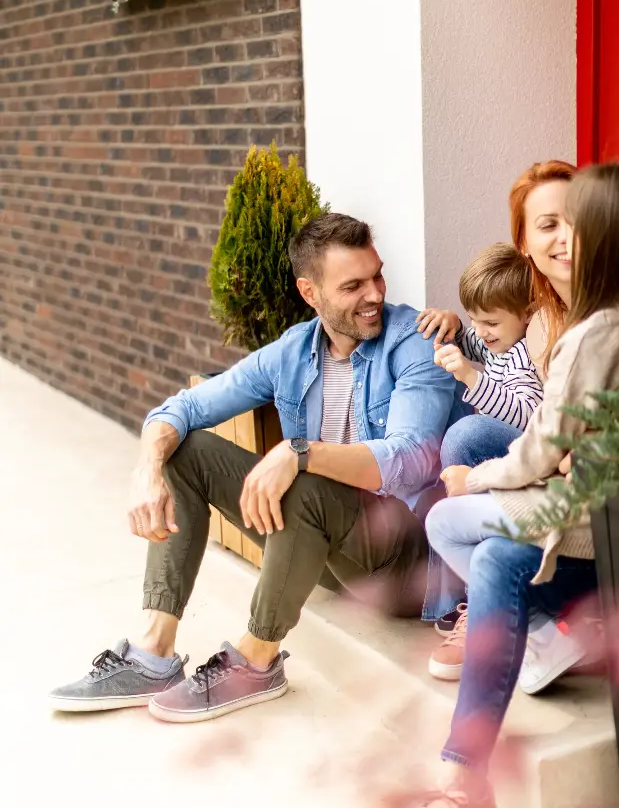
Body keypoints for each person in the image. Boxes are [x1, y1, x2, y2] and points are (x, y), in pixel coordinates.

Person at [49, 212, 471, 720]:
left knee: (308, 476)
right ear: (310, 292)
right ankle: (152, 654)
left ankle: (256, 661)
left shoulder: (415, 342)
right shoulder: (293, 351)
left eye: (377, 276)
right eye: (353, 285)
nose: (375, 294)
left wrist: (299, 452)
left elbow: (409, 459)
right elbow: (182, 409)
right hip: (333, 549)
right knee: (185, 451)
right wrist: (147, 467)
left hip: (403, 560)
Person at [392, 161, 619, 808]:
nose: (562, 237)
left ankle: (468, 771)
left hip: (588, 527)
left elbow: (543, 449)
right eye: (549, 224)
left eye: (574, 223)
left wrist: (473, 478)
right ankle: (474, 762)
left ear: (606, 238)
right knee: (492, 557)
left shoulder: (593, 332)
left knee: (449, 522)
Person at [417, 242, 543, 681]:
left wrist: (471, 376)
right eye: (475, 319)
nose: (481, 331)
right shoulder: (496, 337)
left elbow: (527, 416)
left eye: (490, 322)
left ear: (528, 313)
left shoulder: (528, 353)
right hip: (501, 458)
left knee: (464, 433)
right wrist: (454, 324)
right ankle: (456, 600)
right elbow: (475, 340)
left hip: (527, 452)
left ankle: (471, 604)